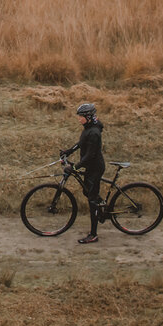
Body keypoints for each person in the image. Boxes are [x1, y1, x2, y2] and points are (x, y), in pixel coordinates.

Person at [60, 103, 105, 244]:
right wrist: (69, 151)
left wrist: (75, 167)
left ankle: (93, 235)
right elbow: (80, 143)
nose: (79, 119)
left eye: (81, 117)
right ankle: (102, 206)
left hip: (95, 167)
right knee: (88, 192)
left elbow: (90, 156)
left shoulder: (94, 133)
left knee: (91, 199)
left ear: (89, 117)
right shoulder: (88, 128)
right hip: (90, 166)